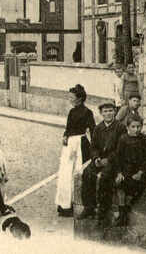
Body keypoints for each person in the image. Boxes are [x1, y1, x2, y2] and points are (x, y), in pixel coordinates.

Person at [77, 102, 126, 224]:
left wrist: (108, 159)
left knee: (105, 177)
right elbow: (93, 147)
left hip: (114, 161)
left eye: (110, 111)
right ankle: (89, 207)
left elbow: (120, 149)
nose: (108, 113)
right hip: (100, 159)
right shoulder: (98, 128)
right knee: (87, 173)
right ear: (101, 113)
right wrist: (96, 158)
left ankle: (103, 210)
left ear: (115, 112)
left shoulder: (120, 127)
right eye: (105, 111)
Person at [55, 84, 96, 217]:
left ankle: (79, 204)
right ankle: (64, 205)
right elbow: (68, 127)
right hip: (69, 145)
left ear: (79, 98)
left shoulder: (87, 112)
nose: (70, 99)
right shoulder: (72, 112)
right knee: (65, 173)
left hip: (80, 145)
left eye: (72, 97)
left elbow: (93, 130)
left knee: (78, 173)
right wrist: (65, 136)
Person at [111, 114, 146, 227]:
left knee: (134, 185)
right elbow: (118, 157)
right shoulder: (123, 139)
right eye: (133, 127)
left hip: (142, 171)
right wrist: (119, 173)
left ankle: (125, 211)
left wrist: (140, 172)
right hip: (127, 169)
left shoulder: (145, 140)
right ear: (128, 127)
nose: (136, 129)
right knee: (120, 183)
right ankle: (122, 213)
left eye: (138, 127)